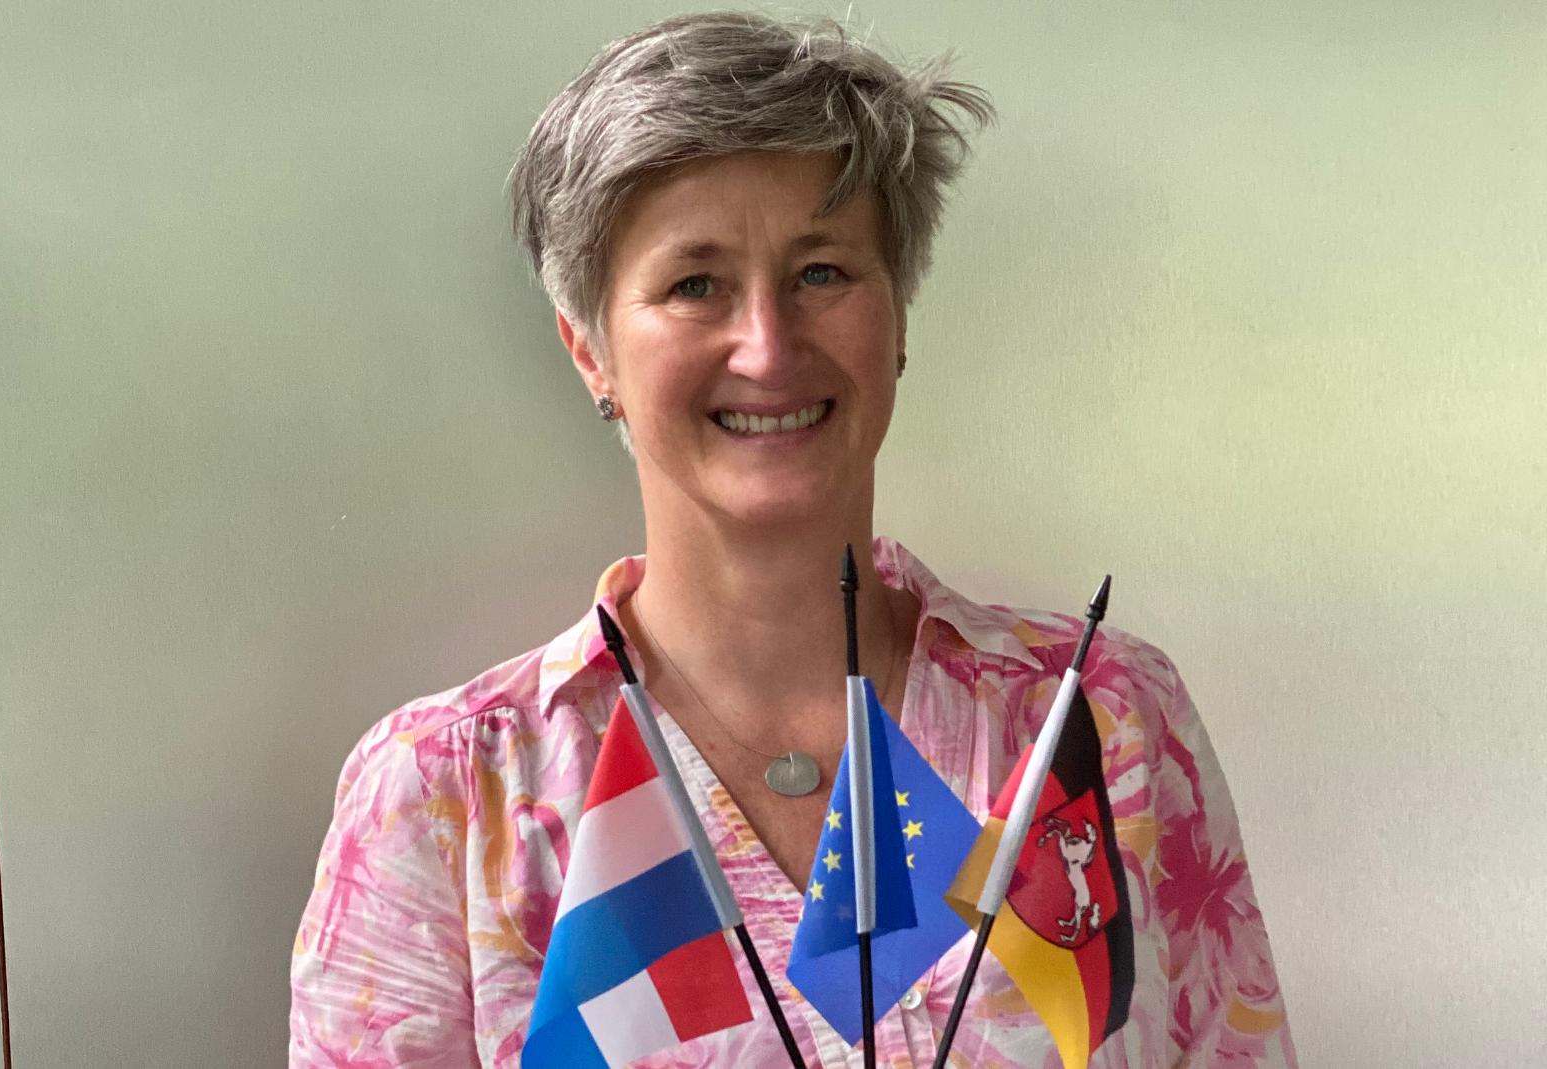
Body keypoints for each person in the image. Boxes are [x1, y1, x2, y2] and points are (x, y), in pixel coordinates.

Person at [289, 12, 1296, 1068]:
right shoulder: (448, 796)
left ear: (898, 316)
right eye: (695, 285)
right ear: (589, 350)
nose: (767, 348)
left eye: (822, 272)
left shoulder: (1100, 720)